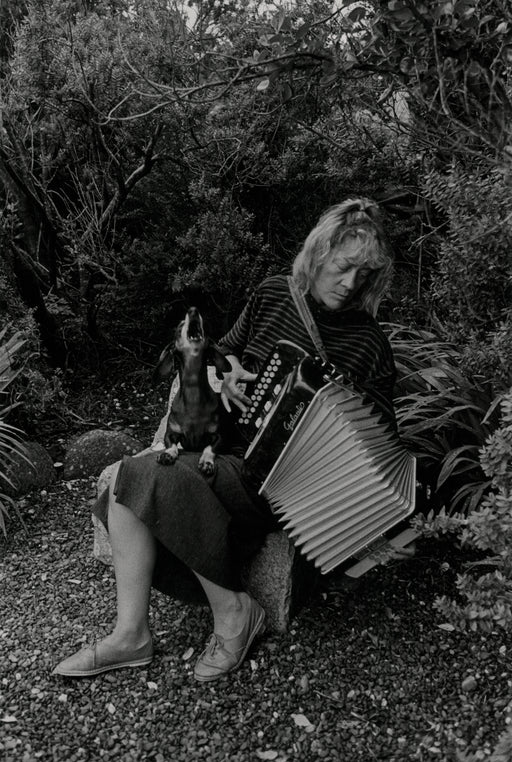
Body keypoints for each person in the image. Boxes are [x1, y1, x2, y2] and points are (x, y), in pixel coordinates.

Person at [53, 197, 399, 682]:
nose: (350, 284)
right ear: (318, 253)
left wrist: (334, 414)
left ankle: (233, 615)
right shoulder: (275, 293)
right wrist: (230, 374)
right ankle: (131, 634)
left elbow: (382, 440)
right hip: (221, 445)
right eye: (343, 268)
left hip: (282, 482)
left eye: (364, 276)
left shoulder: (368, 342)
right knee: (129, 480)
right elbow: (222, 353)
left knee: (143, 477)